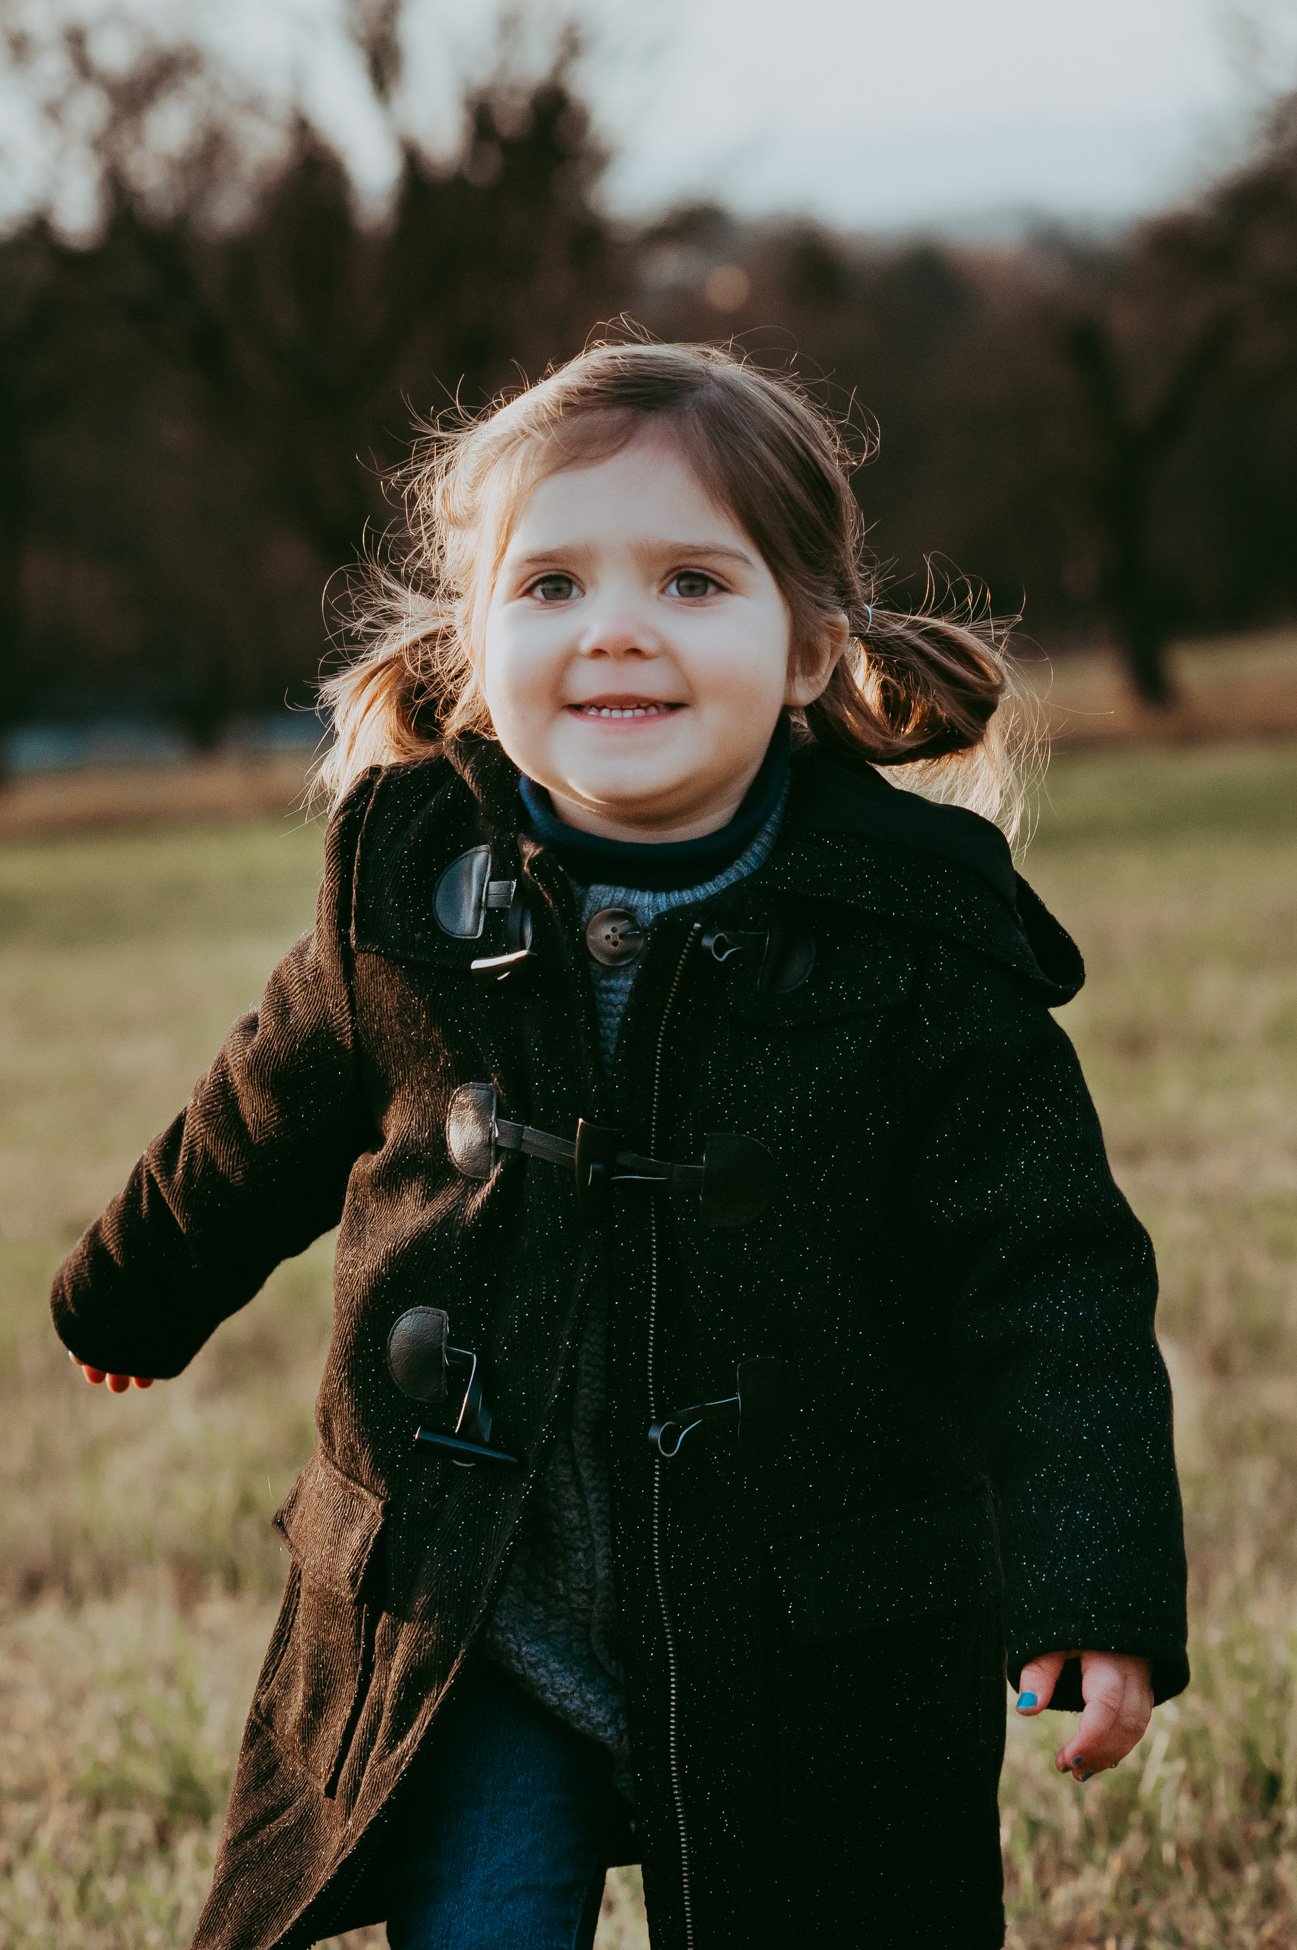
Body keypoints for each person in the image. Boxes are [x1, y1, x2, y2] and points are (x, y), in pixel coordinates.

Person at [51, 340, 1188, 1950]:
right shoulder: (405, 879)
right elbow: (266, 1105)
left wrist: (1097, 1583)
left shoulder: (916, 941)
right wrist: (132, 1291)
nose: (617, 628)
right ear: (476, 637)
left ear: (807, 649)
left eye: (692, 580)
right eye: (554, 583)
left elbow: (1055, 1281)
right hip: (476, 1620)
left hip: (803, 1634)